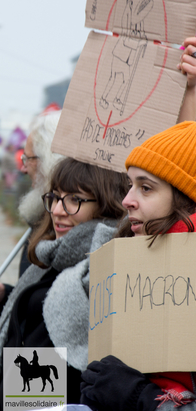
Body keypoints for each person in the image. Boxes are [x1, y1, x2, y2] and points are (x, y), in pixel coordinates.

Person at [80, 121, 196, 411]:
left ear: (183, 196)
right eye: (130, 185)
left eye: (146, 188)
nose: (127, 200)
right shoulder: (115, 262)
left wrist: (137, 396)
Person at [0, 156, 129, 408]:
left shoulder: (101, 271)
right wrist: (6, 294)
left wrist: (21, 401)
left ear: (106, 204)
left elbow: (39, 396)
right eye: (56, 197)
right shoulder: (56, 255)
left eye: (74, 200)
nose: (58, 210)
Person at [0, 111, 64, 306]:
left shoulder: (63, 224)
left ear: (48, 158)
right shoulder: (41, 216)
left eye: (28, 159)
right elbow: (30, 304)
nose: (23, 168)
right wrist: (5, 295)